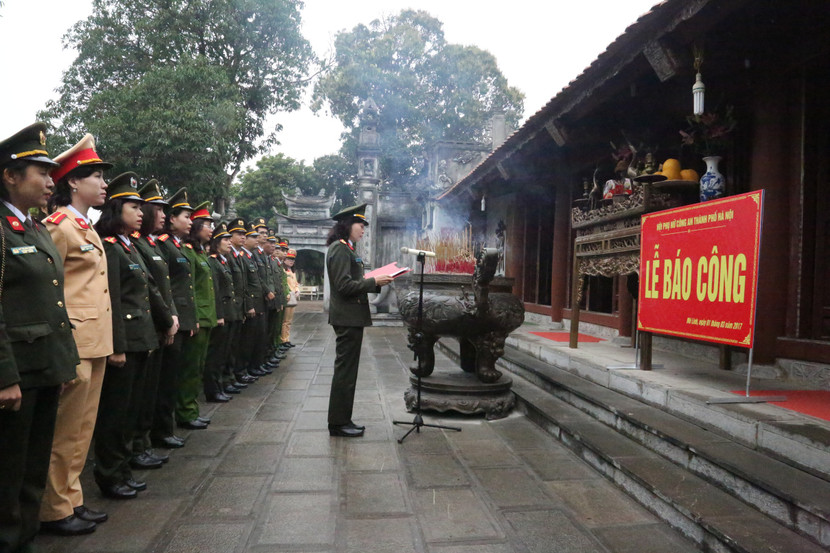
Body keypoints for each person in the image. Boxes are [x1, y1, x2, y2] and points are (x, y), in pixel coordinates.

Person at [0, 122, 80, 553]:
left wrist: (63, 364)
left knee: (33, 469)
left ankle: (25, 540)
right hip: (18, 374)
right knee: (9, 472)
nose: (52, 182)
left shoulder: (34, 228)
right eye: (42, 173)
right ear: (11, 176)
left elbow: (53, 302)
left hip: (44, 367)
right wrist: (5, 376)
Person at [39, 134, 113, 535]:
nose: (104, 184)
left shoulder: (85, 226)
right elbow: (47, 288)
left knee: (83, 427)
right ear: (72, 182)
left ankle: (73, 498)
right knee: (64, 429)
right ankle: (54, 508)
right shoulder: (59, 226)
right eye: (96, 176)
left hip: (96, 339)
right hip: (74, 340)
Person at [93, 172, 172, 500]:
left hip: (142, 338)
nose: (141, 212)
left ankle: (123, 469)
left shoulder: (129, 245)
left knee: (131, 409)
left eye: (141, 207)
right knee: (115, 413)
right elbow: (111, 298)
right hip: (125, 340)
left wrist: (164, 321)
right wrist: (117, 345)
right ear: (116, 209)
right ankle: (110, 474)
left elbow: (149, 288)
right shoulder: (111, 247)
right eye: (133, 207)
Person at [325, 204, 393, 437]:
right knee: (345, 372)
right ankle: (338, 423)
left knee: (348, 371)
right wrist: (373, 282)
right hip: (347, 318)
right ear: (347, 225)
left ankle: (343, 419)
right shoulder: (340, 249)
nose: (363, 229)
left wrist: (372, 279)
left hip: (351, 317)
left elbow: (351, 281)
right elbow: (343, 286)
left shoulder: (346, 248)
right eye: (360, 225)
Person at [131, 180, 178, 468]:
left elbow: (164, 286)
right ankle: (138, 445)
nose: (163, 215)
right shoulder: (136, 243)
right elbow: (149, 289)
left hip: (159, 324)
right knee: (140, 394)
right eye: (157, 210)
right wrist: (166, 318)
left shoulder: (149, 243)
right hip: (145, 325)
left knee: (152, 390)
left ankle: (144, 442)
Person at [152, 188, 203, 440]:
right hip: (172, 319)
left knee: (178, 373)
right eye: (185, 216)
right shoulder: (163, 245)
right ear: (172, 219)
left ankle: (169, 424)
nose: (190, 221)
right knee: (167, 378)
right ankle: (162, 429)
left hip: (182, 319)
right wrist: (172, 318)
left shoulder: (177, 246)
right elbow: (165, 287)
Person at [176, 202, 216, 425]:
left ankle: (191, 408)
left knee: (198, 366)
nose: (211, 229)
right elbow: (189, 287)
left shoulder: (200, 252)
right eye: (207, 225)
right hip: (197, 317)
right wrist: (193, 318)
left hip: (206, 316)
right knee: (190, 369)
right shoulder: (188, 251)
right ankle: (186, 412)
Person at [204, 222, 235, 402]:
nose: (229, 242)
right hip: (221, 314)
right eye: (225, 239)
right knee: (215, 355)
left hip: (228, 313)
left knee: (223, 353)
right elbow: (215, 291)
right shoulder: (213, 262)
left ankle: (219, 386)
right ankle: (212, 389)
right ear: (216, 242)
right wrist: (219, 315)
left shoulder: (222, 261)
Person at [281, 248, 300, 348]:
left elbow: (295, 284)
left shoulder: (292, 272)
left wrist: (297, 290)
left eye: (292, 259)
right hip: (287, 297)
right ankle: (283, 340)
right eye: (289, 259)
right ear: (284, 260)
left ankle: (287, 339)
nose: (291, 261)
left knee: (289, 321)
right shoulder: (283, 271)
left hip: (293, 298)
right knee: (285, 321)